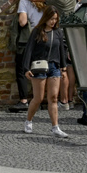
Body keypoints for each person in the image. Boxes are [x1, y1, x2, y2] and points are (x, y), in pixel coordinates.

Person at [23, 10, 69, 138]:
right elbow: (29, 49)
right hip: (39, 67)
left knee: (53, 98)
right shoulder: (37, 31)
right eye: (51, 18)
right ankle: (28, 120)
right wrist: (26, 68)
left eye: (55, 19)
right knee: (38, 98)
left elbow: (61, 50)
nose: (53, 21)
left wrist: (63, 68)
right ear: (46, 18)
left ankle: (55, 127)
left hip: (54, 67)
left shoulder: (58, 32)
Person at [13, 0, 45, 113]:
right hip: (44, 37)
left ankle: (24, 100)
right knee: (41, 68)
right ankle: (41, 99)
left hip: (30, 38)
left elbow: (22, 22)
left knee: (22, 68)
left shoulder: (24, 2)